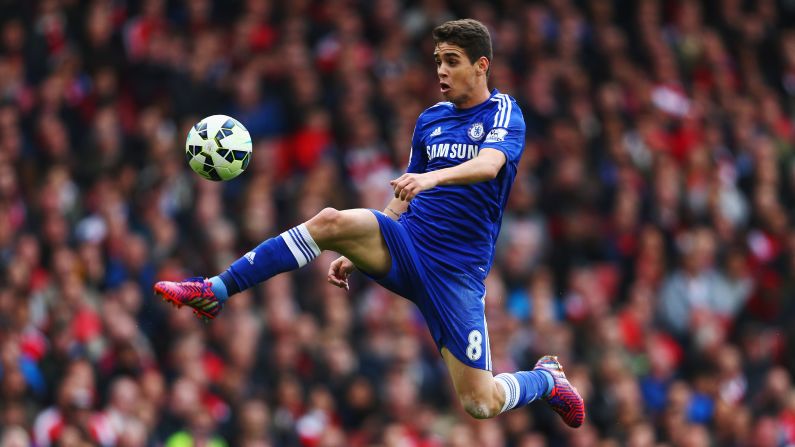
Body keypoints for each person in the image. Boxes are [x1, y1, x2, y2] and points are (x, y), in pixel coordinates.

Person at [154, 19, 585, 425]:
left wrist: (430, 177)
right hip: (408, 242)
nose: (441, 70)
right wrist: (359, 253)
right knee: (330, 222)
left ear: (481, 65)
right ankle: (215, 290)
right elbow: (401, 196)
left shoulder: (504, 111)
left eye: (452, 61)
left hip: (456, 274)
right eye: (437, 60)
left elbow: (490, 164)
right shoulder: (431, 120)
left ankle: (546, 379)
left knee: (480, 403)